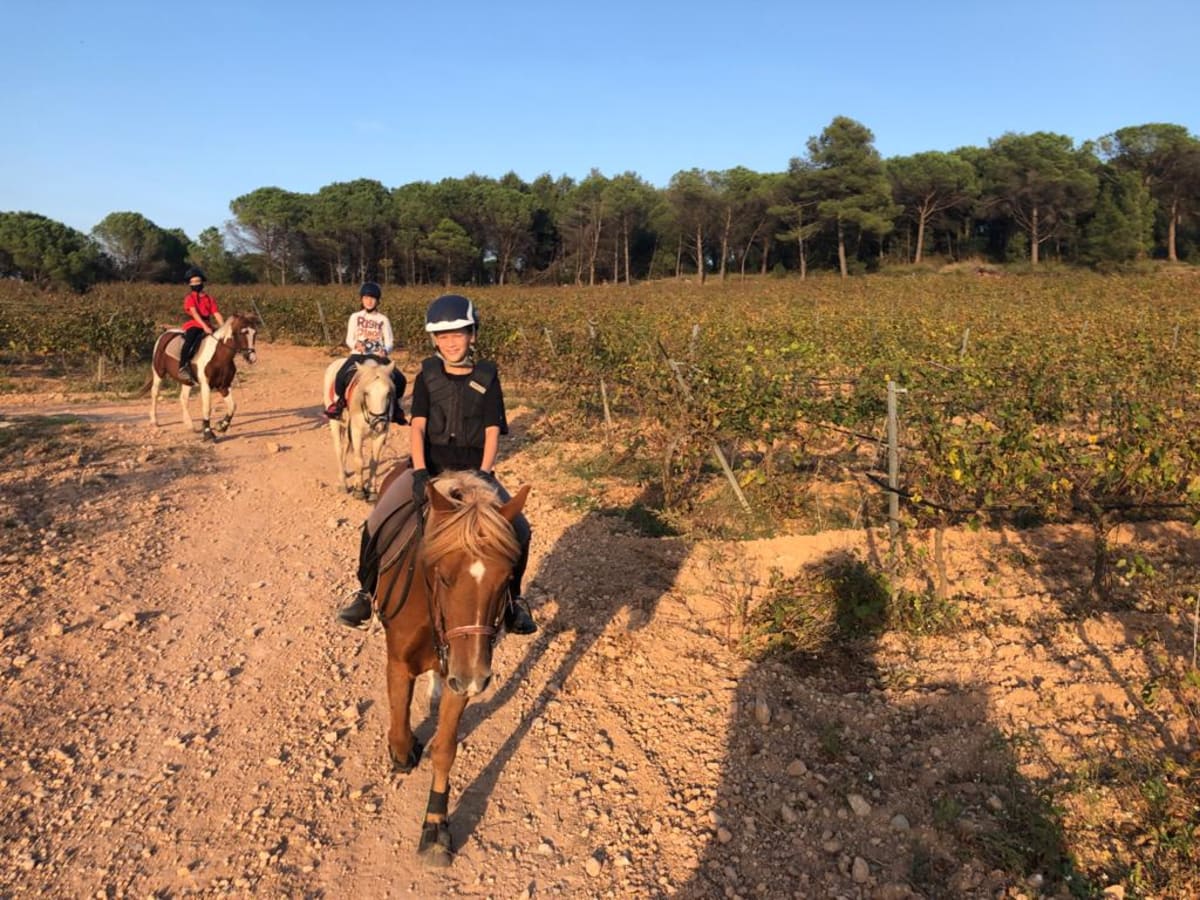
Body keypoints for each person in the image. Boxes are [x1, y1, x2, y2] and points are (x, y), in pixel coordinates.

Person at [336, 293, 536, 635]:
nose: (451, 342)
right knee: (377, 520)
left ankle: (514, 602)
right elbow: (418, 425)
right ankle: (365, 593)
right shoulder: (427, 375)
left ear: (472, 334)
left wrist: (485, 475)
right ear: (434, 340)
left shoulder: (488, 377)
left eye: (458, 333)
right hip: (432, 466)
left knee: (520, 529)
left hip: (475, 471)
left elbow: (491, 430)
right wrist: (418, 471)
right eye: (443, 336)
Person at [325, 281, 407, 424]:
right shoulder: (355, 317)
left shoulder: (383, 319)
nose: (369, 301)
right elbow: (349, 338)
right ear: (361, 299)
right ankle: (339, 404)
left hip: (378, 356)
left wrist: (385, 350)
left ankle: (397, 409)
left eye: (372, 298)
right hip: (358, 354)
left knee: (400, 379)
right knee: (341, 375)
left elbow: (389, 342)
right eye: (366, 298)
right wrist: (356, 345)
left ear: (377, 300)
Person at [177, 268, 223, 384]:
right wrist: (204, 327)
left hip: (208, 323)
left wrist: (223, 326)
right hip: (194, 323)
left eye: (198, 281)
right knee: (190, 340)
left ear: (202, 282)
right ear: (190, 284)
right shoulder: (190, 298)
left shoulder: (209, 298)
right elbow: (195, 313)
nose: (196, 284)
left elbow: (216, 313)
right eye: (193, 282)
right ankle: (182, 366)